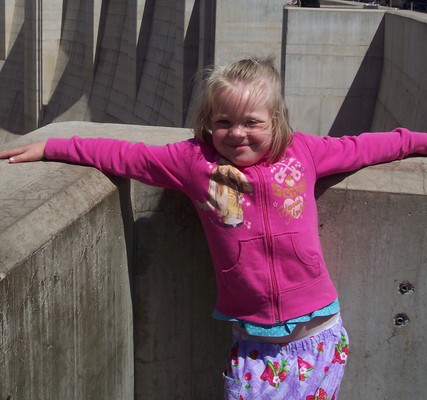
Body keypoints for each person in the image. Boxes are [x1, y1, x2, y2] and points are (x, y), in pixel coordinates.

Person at [1, 57, 426, 399]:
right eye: (224, 122)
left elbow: (369, 147)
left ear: (276, 121)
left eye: (252, 122)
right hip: (253, 342)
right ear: (208, 122)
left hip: (319, 335)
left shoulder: (304, 153)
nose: (237, 133)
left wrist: (420, 140)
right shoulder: (193, 163)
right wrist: (50, 146)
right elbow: (124, 155)